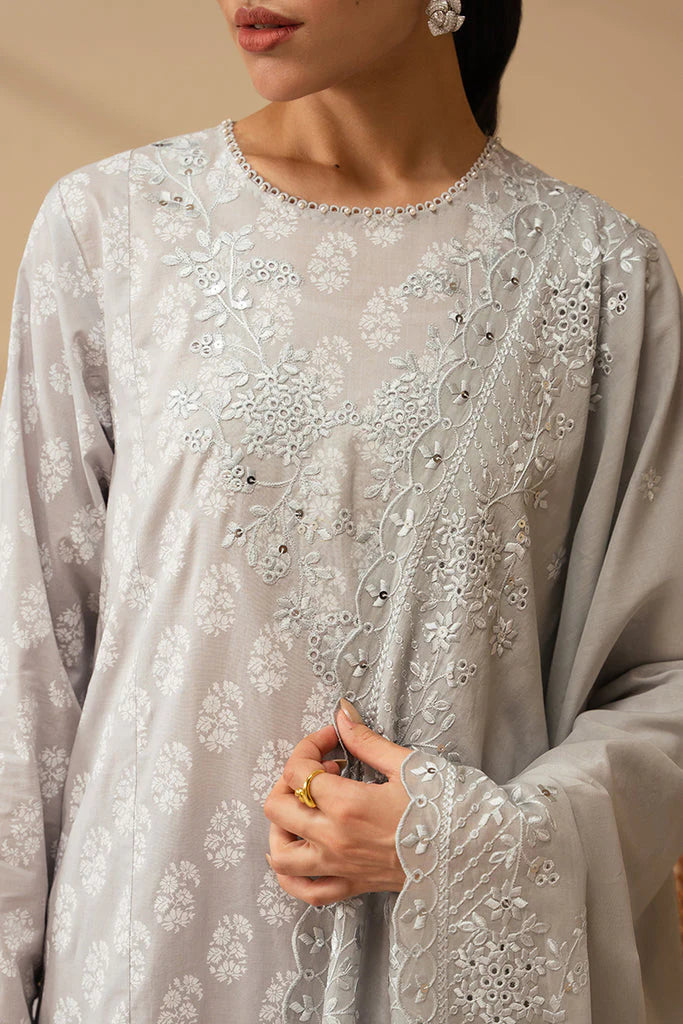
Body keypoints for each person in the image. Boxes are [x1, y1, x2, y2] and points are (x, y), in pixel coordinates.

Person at [1, 0, 682, 1020]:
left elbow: (661, 680)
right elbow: (26, 661)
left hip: (435, 981)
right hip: (146, 967)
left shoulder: (598, 277)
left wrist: (452, 839)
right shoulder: (114, 228)